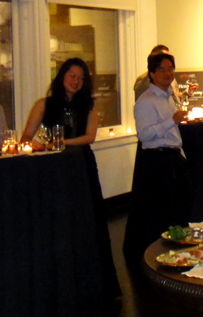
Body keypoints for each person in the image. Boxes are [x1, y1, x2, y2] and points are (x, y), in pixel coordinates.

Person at [21, 58, 122, 302]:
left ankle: (96, 286)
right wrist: (37, 146)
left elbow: (89, 137)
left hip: (81, 166)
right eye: (72, 75)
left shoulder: (89, 106)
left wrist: (60, 142)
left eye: (81, 77)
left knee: (90, 222)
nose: (76, 81)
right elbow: (26, 137)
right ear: (62, 76)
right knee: (59, 223)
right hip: (53, 169)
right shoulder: (43, 104)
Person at [123, 51, 192, 262]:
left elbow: (173, 134)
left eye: (170, 68)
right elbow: (144, 135)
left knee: (177, 209)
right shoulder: (146, 101)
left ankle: (176, 250)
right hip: (158, 161)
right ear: (152, 74)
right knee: (161, 212)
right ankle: (158, 257)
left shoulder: (169, 96)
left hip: (174, 159)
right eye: (161, 69)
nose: (167, 73)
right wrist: (172, 121)